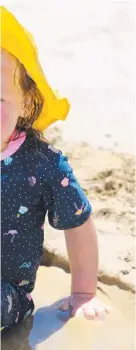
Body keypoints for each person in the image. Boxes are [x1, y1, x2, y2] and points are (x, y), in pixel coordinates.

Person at [0, 6, 111, 331]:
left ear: (26, 102)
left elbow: (78, 221)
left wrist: (82, 293)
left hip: (8, 292)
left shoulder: (42, 163)